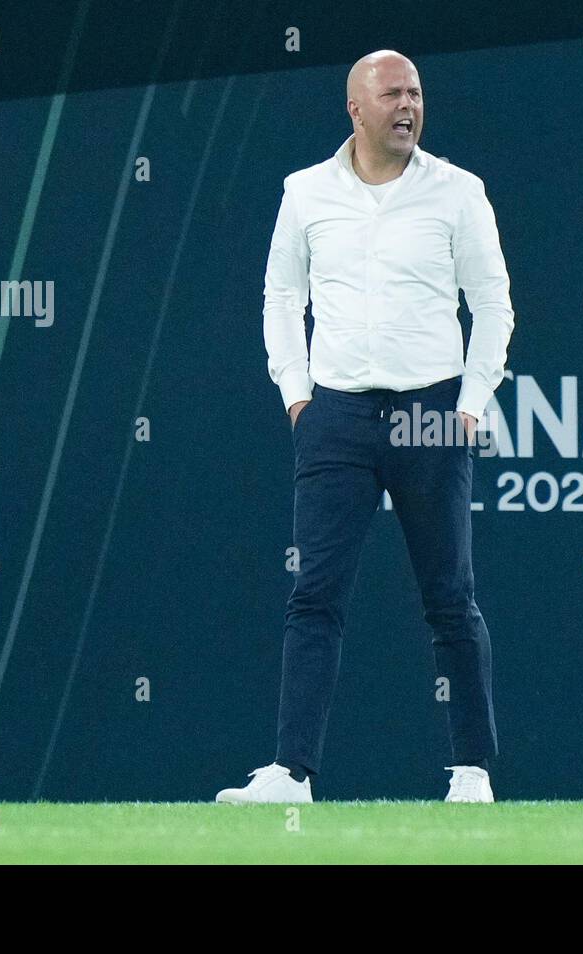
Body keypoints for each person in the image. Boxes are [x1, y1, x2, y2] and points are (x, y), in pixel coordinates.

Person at [216, 49, 515, 804]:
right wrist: (296, 394)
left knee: (450, 595)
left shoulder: (459, 193)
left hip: (431, 414)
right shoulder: (305, 192)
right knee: (314, 595)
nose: (408, 106)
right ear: (356, 108)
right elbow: (280, 297)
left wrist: (471, 403)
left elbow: (494, 304)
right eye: (392, 94)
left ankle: (473, 773)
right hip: (337, 416)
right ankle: (291, 774)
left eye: (415, 93)